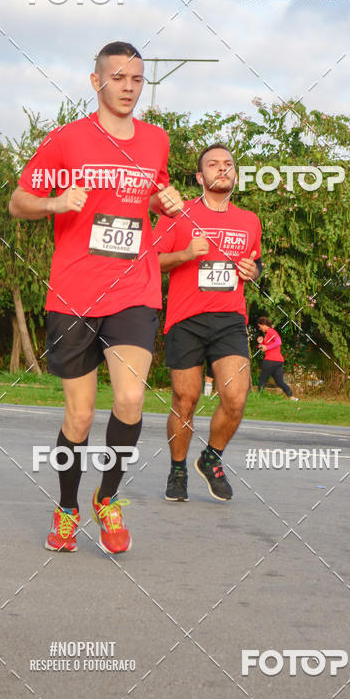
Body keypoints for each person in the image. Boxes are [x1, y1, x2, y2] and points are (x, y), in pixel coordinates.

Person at [9, 41, 183, 553]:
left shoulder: (156, 141)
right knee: (79, 417)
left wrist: (164, 201)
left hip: (135, 286)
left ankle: (108, 500)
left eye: (136, 79)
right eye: (118, 78)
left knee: (130, 398)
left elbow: (150, 196)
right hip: (74, 293)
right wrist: (54, 202)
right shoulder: (66, 140)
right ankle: (67, 508)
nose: (128, 88)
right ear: (96, 82)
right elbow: (19, 201)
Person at [155, 144, 262, 503]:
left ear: (235, 175)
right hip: (185, 319)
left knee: (236, 396)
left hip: (230, 319)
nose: (222, 170)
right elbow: (149, 263)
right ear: (200, 177)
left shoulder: (249, 220)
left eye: (228, 165)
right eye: (213, 165)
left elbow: (253, 262)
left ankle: (211, 458)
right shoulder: (178, 213)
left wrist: (254, 270)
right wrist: (186, 254)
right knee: (186, 399)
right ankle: (178, 469)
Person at [256, 317, 298, 400]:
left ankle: (258, 398)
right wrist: (261, 344)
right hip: (278, 361)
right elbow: (265, 347)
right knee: (280, 382)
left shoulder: (271, 331)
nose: (259, 328)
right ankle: (292, 397)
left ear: (263, 325)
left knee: (262, 380)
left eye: (259, 326)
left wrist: (267, 347)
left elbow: (279, 342)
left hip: (270, 360)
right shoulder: (267, 334)